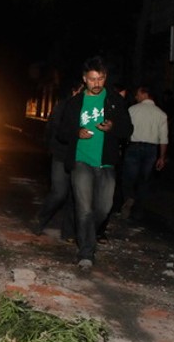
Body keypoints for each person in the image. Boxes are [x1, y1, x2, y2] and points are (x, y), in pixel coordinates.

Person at [56, 56, 133, 271]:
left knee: (104, 207)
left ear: (105, 78)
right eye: (92, 79)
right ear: (84, 79)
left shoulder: (115, 100)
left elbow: (128, 130)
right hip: (81, 160)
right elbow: (61, 133)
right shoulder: (74, 103)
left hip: (106, 162)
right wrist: (76, 132)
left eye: (100, 79)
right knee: (84, 208)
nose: (96, 84)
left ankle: (86, 234)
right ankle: (86, 253)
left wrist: (113, 128)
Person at [31, 82, 82, 240]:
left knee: (75, 196)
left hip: (80, 157)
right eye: (81, 91)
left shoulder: (89, 109)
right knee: (59, 192)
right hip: (61, 155)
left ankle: (68, 233)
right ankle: (40, 219)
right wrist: (51, 149)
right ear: (74, 91)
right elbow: (54, 130)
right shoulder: (63, 107)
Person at [120, 86, 169, 220]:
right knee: (144, 180)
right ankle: (138, 211)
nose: (136, 97)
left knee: (128, 178)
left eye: (137, 94)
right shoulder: (161, 114)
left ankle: (129, 198)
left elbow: (125, 130)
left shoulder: (132, 110)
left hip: (134, 146)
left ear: (144, 94)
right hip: (151, 150)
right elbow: (164, 138)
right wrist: (162, 157)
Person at [96, 83, 130, 242]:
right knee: (85, 198)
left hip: (109, 160)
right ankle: (85, 234)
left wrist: (112, 127)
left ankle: (99, 230)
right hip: (87, 159)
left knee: (105, 202)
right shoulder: (91, 100)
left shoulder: (119, 107)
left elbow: (127, 130)